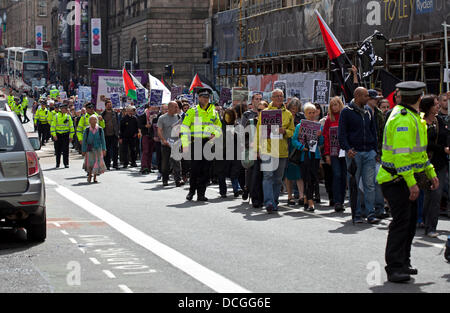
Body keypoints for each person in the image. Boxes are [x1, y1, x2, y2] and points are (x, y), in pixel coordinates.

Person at [377, 81, 439, 283]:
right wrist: (412, 183)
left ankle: (404, 262)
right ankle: (394, 267)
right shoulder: (404, 119)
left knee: (409, 223)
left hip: (404, 178)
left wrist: (430, 171)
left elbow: (418, 153)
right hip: (397, 180)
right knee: (401, 223)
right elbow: (402, 157)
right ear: (419, 97)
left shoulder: (412, 117)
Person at [338, 87, 380, 224]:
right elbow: (342, 133)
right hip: (354, 153)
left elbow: (373, 131)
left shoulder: (368, 111)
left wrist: (375, 150)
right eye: (366, 96)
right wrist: (348, 149)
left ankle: (370, 213)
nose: (368, 98)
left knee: (369, 184)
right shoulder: (346, 112)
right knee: (354, 185)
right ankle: (356, 213)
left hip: (369, 152)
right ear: (357, 96)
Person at [255, 89, 295, 213]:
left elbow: (292, 132)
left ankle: (275, 201)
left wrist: (285, 132)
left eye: (281, 96)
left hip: (281, 151)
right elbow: (258, 132)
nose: (279, 98)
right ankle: (268, 203)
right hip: (267, 149)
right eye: (276, 96)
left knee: (278, 179)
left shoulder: (288, 114)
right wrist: (257, 149)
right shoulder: (265, 113)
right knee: (267, 176)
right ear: (272, 98)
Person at [181, 88, 222, 202]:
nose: (205, 99)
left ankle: (201, 194)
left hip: (208, 143)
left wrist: (215, 135)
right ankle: (191, 191)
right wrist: (185, 144)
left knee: (206, 170)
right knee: (195, 169)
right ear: (198, 98)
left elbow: (219, 127)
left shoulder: (214, 111)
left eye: (207, 97)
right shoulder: (192, 111)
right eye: (203, 97)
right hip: (196, 143)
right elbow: (184, 128)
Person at [420, 95, 450, 238]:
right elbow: (424, 143)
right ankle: (424, 222)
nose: (438, 106)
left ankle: (431, 226)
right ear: (428, 106)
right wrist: (442, 149)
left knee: (436, 195)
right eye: (436, 103)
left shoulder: (439, 120)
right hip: (425, 162)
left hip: (440, 164)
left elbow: (445, 135)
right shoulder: (420, 122)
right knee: (428, 195)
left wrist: (446, 147)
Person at [292, 103, 324, 212]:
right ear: (305, 114)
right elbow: (294, 140)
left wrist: (320, 135)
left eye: (313, 112)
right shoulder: (299, 126)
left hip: (315, 156)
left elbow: (321, 142)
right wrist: (301, 147)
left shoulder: (318, 126)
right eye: (309, 113)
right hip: (303, 156)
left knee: (314, 178)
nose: (311, 114)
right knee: (307, 179)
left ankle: (306, 197)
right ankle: (310, 201)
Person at [323, 96, 347, 212]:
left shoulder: (345, 117)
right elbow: (326, 138)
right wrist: (327, 155)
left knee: (344, 176)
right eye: (332, 105)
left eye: (336, 104)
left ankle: (342, 200)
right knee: (337, 175)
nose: (334, 107)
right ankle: (337, 201)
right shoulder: (329, 119)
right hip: (334, 153)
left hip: (345, 151)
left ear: (340, 105)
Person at [216, 109, 243, 197]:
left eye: (229, 115)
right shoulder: (220, 125)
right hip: (222, 152)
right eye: (226, 115)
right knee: (221, 173)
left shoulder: (237, 125)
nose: (227, 117)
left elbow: (240, 139)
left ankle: (236, 189)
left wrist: (235, 134)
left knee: (234, 172)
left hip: (234, 152)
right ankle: (223, 191)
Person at [284, 98, 304, 206]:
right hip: (286, 145)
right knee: (288, 172)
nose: (294, 111)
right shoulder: (285, 116)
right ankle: (289, 196)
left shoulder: (301, 117)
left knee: (299, 172)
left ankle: (301, 196)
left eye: (296, 109)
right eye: (292, 109)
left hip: (297, 147)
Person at [157, 101, 182, 187]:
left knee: (177, 162)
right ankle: (165, 179)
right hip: (166, 144)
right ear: (170, 107)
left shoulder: (178, 117)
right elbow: (159, 130)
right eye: (175, 107)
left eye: (177, 107)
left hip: (175, 144)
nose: (177, 109)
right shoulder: (162, 118)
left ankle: (178, 180)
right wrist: (163, 140)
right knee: (165, 163)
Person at [82, 115, 107, 183]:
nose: (93, 121)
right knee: (90, 163)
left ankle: (95, 177)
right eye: (92, 120)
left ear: (96, 121)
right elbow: (84, 141)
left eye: (94, 120)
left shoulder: (100, 129)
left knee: (96, 163)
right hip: (89, 148)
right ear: (89, 121)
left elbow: (103, 140)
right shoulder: (86, 130)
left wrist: (104, 149)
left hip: (98, 148)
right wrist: (83, 150)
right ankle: (90, 175)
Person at [50, 103, 74, 168]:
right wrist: (54, 135)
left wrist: (71, 136)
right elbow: (52, 126)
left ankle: (66, 163)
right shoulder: (56, 116)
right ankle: (57, 163)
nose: (65, 110)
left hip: (65, 135)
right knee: (58, 150)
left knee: (66, 150)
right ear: (61, 109)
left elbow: (71, 127)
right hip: (58, 135)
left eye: (66, 109)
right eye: (63, 109)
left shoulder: (68, 117)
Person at [101, 99, 120, 170]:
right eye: (108, 105)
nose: (109, 106)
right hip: (106, 135)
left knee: (115, 150)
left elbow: (118, 123)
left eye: (110, 104)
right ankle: (107, 165)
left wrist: (118, 133)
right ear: (105, 106)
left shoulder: (115, 113)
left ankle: (115, 164)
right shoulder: (102, 114)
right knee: (107, 150)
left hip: (114, 134)